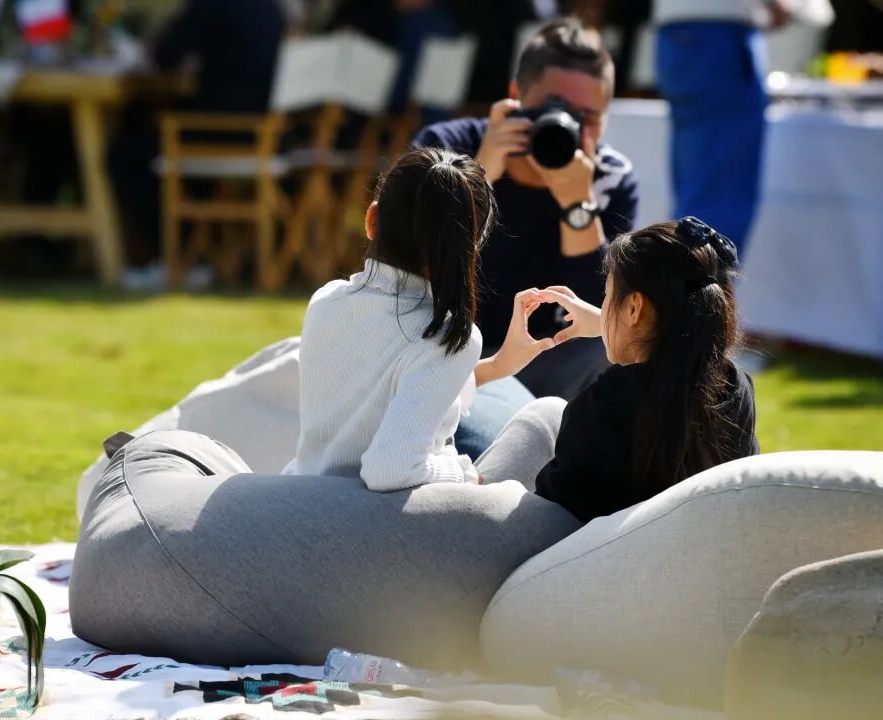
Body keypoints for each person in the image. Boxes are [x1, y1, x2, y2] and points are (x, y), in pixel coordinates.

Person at [412, 18, 640, 456]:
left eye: (588, 118)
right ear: (516, 96)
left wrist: (577, 204)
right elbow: (412, 267)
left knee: (613, 346)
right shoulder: (446, 149)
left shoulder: (608, 177)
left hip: (548, 359)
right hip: (448, 355)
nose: (567, 126)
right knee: (503, 445)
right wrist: (478, 176)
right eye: (553, 108)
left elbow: (600, 312)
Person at [285, 147, 555, 491]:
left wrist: (499, 365)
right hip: (379, 515)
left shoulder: (326, 301)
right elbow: (390, 470)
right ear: (469, 248)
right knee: (548, 417)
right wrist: (463, 474)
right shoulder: (443, 335)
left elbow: (388, 384)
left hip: (306, 492)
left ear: (371, 220)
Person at [476, 217, 759, 522]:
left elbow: (548, 520)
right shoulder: (736, 388)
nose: (605, 304)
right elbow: (676, 348)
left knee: (531, 427)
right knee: (546, 413)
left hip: (571, 548)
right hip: (681, 544)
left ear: (634, 308)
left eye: (608, 295)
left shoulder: (603, 405)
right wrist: (607, 322)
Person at [107, 0, 285, 270]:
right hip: (267, 136)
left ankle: (176, 257)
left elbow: (166, 55)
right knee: (145, 138)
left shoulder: (211, 5)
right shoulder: (272, 8)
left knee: (126, 154)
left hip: (221, 132)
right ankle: (198, 251)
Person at [653, 0, 789, 257]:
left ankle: (680, 278)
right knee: (718, 200)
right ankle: (695, 282)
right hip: (721, 37)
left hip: (679, 35)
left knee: (700, 193)